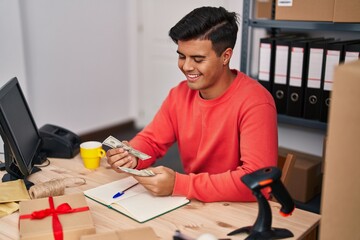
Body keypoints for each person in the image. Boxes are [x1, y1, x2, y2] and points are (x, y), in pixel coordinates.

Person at [106, 6, 278, 202]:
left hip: (240, 206)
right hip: (196, 201)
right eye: (181, 56)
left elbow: (259, 182)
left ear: (226, 56)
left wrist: (181, 185)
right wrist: (132, 156)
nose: (186, 67)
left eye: (198, 59)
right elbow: (152, 140)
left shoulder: (256, 102)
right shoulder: (179, 94)